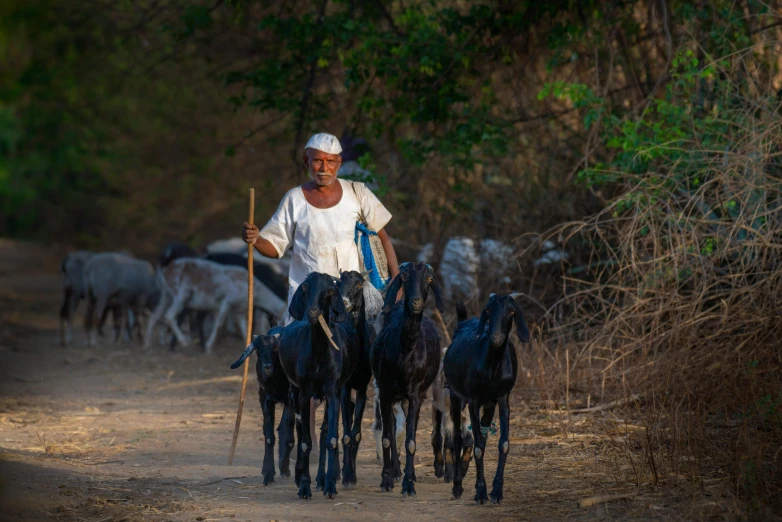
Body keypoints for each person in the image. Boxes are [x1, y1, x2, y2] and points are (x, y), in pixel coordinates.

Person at [241, 132, 400, 450]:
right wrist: (256, 239)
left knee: (353, 365)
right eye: (317, 160)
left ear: (339, 163)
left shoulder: (359, 194)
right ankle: (307, 439)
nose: (323, 167)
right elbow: (275, 247)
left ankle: (348, 437)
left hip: (347, 298)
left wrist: (396, 285)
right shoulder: (294, 200)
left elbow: (383, 238)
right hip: (306, 298)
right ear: (307, 162)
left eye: (329, 161)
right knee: (303, 366)